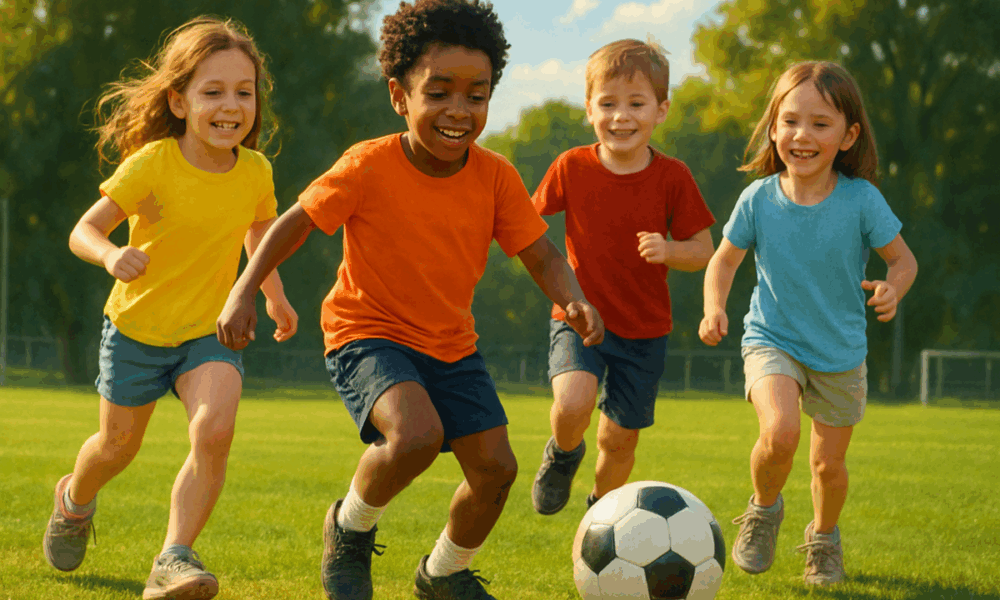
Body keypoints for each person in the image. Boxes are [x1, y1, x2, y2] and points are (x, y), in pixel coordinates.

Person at [215, 1, 604, 599]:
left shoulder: (496, 177)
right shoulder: (367, 166)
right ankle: (349, 529)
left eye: (477, 95)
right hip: (365, 333)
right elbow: (293, 223)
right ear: (400, 96)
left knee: (497, 471)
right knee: (416, 436)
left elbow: (543, 254)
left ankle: (443, 573)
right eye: (440, 92)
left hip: (451, 345)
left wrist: (572, 299)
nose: (459, 111)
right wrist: (245, 291)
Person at [44, 16, 297, 600]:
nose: (231, 105)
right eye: (213, 92)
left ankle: (173, 558)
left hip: (208, 331)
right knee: (116, 449)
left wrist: (274, 296)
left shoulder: (256, 170)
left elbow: (258, 239)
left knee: (215, 430)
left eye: (244, 91)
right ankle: (73, 501)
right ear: (179, 101)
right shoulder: (153, 162)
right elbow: (84, 229)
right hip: (136, 329)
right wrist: (110, 256)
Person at [698, 61, 917, 585]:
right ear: (774, 128)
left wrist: (893, 288)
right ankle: (764, 509)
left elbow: (903, 261)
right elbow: (724, 260)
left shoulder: (862, 199)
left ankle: (823, 539)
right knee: (780, 432)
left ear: (848, 135)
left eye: (821, 124)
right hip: (772, 336)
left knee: (828, 468)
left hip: (841, 350)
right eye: (791, 121)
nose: (803, 135)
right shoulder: (757, 198)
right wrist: (714, 307)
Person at [529, 39, 716, 516]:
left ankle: (602, 517)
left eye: (636, 104)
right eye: (607, 104)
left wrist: (669, 250)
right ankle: (563, 454)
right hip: (578, 314)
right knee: (573, 403)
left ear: (661, 110)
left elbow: (703, 252)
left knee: (619, 438)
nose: (621, 116)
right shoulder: (571, 166)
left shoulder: (674, 177)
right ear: (589, 108)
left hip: (645, 329)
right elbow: (524, 222)